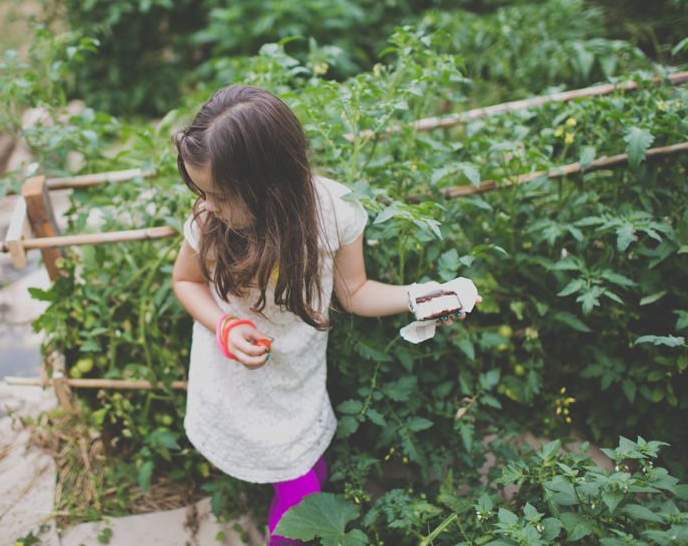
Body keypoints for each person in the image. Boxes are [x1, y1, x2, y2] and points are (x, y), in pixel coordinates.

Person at [171, 85, 478, 544]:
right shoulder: (210, 222)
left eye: (218, 193)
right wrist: (225, 324)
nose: (207, 204)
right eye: (202, 191)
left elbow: (354, 291)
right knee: (304, 496)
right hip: (237, 378)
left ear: (268, 185)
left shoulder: (333, 211)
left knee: (311, 467)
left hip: (297, 373)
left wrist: (420, 296)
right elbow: (186, 281)